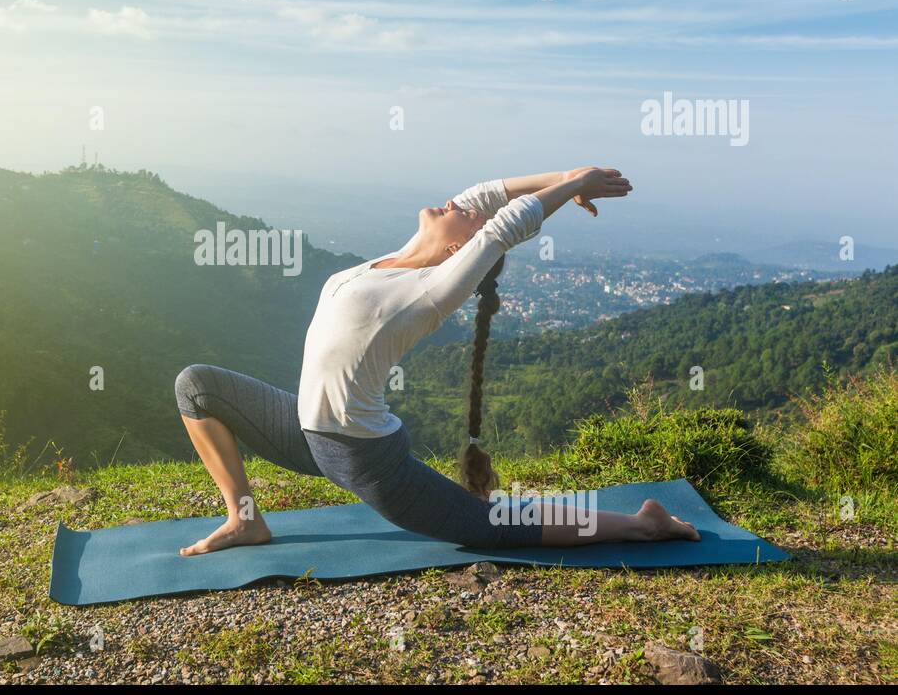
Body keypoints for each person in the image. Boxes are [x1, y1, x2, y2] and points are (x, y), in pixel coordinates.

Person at [173, 167, 700, 556]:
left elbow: (502, 226)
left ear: (459, 253)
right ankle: (244, 520)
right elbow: (488, 196)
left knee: (488, 526)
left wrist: (571, 186)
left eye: (462, 215)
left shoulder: (431, 291)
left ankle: (641, 524)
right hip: (308, 432)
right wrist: (565, 174)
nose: (455, 203)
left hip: (363, 456)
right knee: (196, 386)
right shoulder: (392, 261)